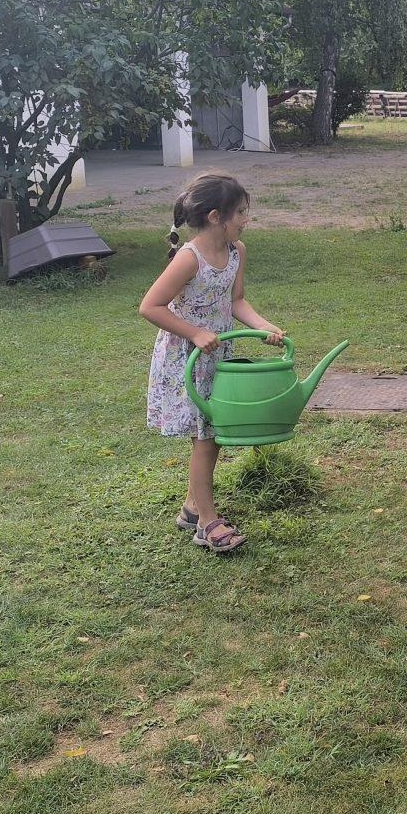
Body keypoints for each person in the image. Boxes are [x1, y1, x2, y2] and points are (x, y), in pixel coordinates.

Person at [140, 172, 284, 553]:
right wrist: (193, 333)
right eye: (241, 212)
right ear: (216, 216)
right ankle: (206, 523)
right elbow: (150, 306)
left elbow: (237, 301)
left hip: (218, 356)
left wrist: (263, 326)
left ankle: (192, 507)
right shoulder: (189, 259)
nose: (246, 219)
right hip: (186, 358)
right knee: (206, 440)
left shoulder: (237, 251)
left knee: (212, 437)